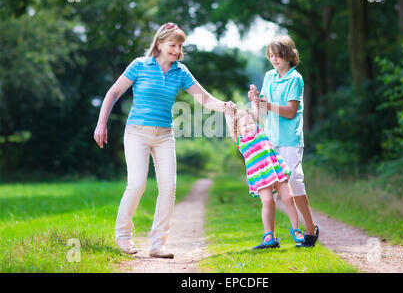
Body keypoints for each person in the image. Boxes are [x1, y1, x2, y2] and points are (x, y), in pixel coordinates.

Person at [93, 22, 226, 258]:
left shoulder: (180, 72)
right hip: (137, 132)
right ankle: (123, 237)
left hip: (165, 134)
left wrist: (226, 107)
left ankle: (157, 245)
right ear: (159, 43)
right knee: (137, 184)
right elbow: (113, 92)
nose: (176, 50)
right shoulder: (140, 65)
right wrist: (101, 123)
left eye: (179, 46)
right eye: (172, 45)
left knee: (169, 187)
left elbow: (205, 99)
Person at [248, 35, 319, 248]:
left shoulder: (295, 78)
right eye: (270, 55)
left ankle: (310, 229)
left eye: (277, 54)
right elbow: (262, 110)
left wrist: (266, 105)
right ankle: (270, 237)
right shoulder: (270, 76)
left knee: (294, 184)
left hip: (290, 140)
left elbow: (290, 112)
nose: (273, 59)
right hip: (271, 139)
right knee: (270, 188)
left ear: (288, 55)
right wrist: (256, 100)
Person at [223, 100, 305, 249]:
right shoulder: (240, 142)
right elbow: (231, 126)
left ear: (256, 124)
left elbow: (256, 112)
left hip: (275, 168)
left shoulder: (260, 132)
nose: (248, 127)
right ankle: (269, 236)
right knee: (267, 201)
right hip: (260, 176)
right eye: (244, 125)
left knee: (288, 198)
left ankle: (296, 230)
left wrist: (255, 100)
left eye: (250, 123)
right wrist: (228, 112)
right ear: (238, 130)